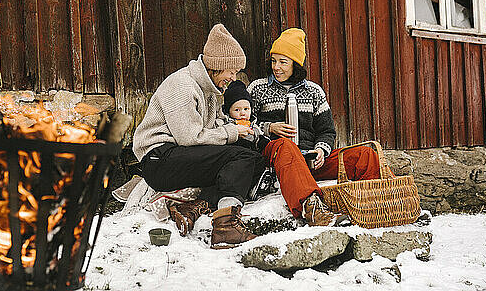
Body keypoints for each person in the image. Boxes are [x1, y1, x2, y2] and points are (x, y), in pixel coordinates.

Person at [133, 24, 259, 249]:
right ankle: (226, 226)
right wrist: (231, 132)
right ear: (217, 66)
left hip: (178, 154)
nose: (233, 77)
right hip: (159, 159)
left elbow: (211, 128)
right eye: (231, 71)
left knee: (250, 155)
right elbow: (190, 137)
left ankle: (191, 207)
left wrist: (241, 131)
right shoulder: (182, 85)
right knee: (240, 158)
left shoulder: (209, 90)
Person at [247, 28, 384, 226]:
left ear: (296, 64)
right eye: (274, 61)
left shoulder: (314, 91)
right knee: (286, 146)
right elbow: (244, 125)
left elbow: (326, 130)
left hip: (309, 160)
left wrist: (321, 150)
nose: (276, 67)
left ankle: (384, 203)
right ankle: (312, 210)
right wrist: (269, 128)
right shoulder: (258, 88)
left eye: (283, 62)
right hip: (276, 159)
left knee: (365, 155)